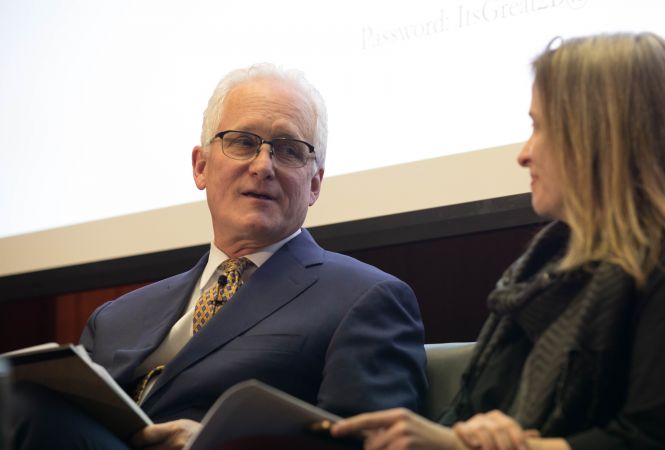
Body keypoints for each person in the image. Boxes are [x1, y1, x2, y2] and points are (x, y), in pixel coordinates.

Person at [331, 32, 665, 450]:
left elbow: (652, 441)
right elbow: (474, 418)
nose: (523, 154)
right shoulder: (544, 277)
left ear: (604, 136)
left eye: (540, 127)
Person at [12, 64, 428, 450]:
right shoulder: (115, 319)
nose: (263, 166)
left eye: (288, 150)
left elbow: (368, 443)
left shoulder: (366, 298)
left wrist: (215, 442)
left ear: (315, 184)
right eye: (243, 142)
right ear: (200, 167)